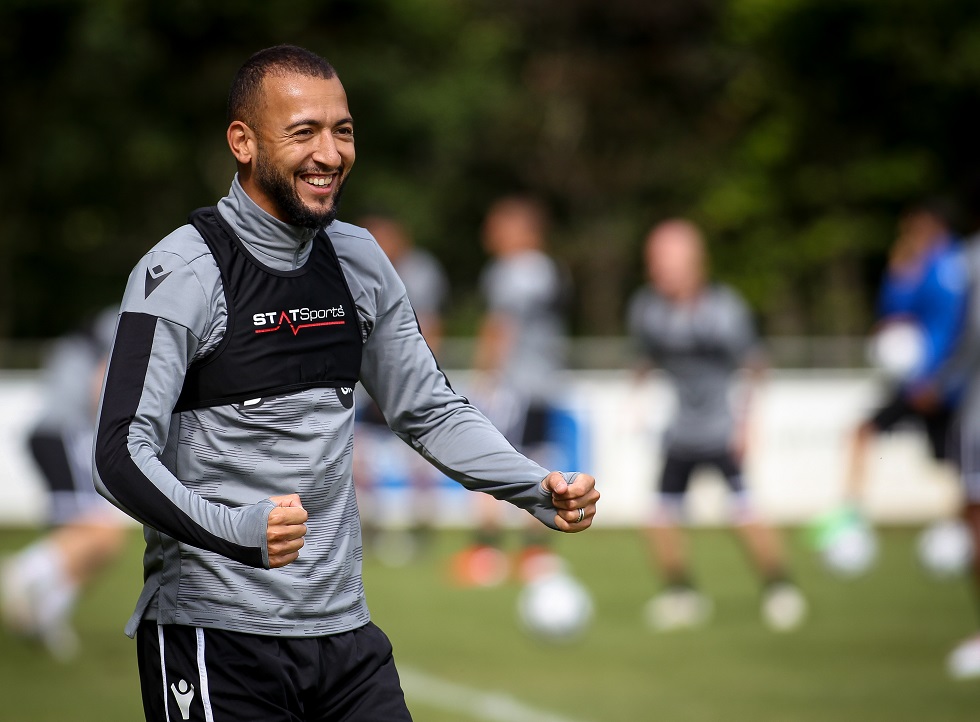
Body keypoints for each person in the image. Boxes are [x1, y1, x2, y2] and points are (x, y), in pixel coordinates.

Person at [92, 45, 598, 721]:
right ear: (243, 142)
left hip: (345, 638)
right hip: (216, 638)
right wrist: (238, 531)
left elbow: (429, 410)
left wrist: (534, 486)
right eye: (303, 132)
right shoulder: (182, 272)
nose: (329, 153)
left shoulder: (359, 258)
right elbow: (118, 454)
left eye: (343, 130)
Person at [627, 219, 806, 632]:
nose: (656, 267)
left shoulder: (723, 310)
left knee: (745, 514)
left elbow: (755, 365)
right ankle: (681, 595)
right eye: (653, 259)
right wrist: (636, 400)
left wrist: (746, 423)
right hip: (680, 433)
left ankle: (781, 589)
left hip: (721, 431)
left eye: (664, 258)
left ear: (693, 261)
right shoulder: (648, 309)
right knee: (659, 518)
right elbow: (644, 357)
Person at [451, 195, 573, 587]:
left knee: (490, 460)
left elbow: (500, 327)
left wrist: (485, 377)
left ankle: (486, 551)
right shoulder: (550, 270)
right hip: (544, 383)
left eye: (499, 225)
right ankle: (536, 552)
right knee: (539, 461)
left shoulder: (509, 271)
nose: (490, 233)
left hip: (513, 385)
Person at [1, 305, 127, 660]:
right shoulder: (124, 320)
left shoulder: (75, 344)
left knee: (103, 544)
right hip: (64, 436)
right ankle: (23, 572)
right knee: (102, 533)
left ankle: (44, 615)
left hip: (53, 436)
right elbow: (102, 386)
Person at [842, 203, 967, 511]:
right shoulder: (920, 265)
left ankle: (960, 528)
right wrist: (900, 272)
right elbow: (894, 314)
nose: (909, 234)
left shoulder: (957, 266)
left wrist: (940, 380)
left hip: (941, 383)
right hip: (919, 381)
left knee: (962, 463)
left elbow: (958, 329)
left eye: (913, 227)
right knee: (865, 432)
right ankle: (851, 515)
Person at [352, 213, 450, 562]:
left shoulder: (420, 272)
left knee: (419, 456)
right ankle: (368, 524)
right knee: (358, 454)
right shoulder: (357, 269)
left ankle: (422, 525)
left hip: (407, 381)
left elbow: (431, 326)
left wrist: (421, 377)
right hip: (367, 382)